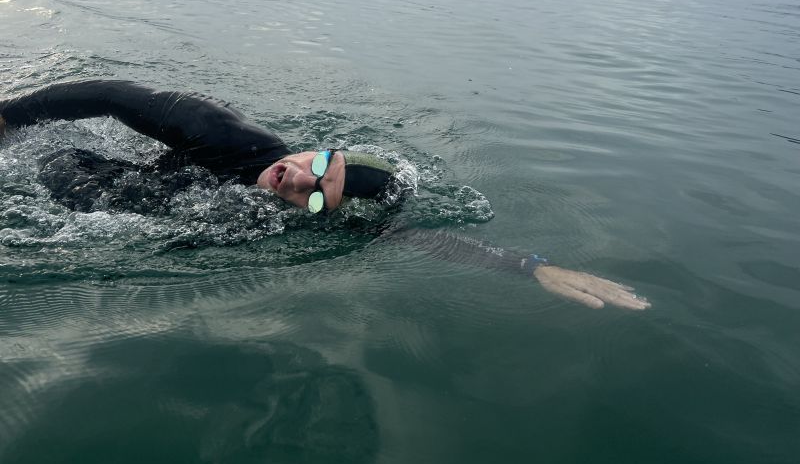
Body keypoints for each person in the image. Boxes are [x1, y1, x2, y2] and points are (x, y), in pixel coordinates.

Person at [0, 80, 650, 310]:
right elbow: (110, 95)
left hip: (149, 195)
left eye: (319, 197)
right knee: (62, 165)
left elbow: (409, 237)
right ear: (323, 146)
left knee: (113, 202)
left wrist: (530, 265)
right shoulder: (220, 130)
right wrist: (11, 115)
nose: (301, 180)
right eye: (322, 165)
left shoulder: (290, 219)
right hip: (107, 155)